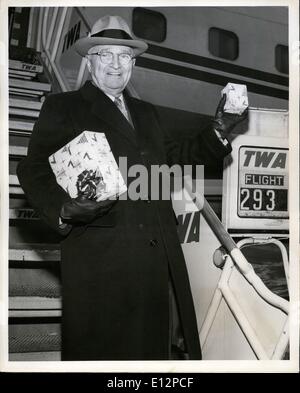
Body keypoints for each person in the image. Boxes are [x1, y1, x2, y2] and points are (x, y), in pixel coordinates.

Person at [17, 15, 247, 360]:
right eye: (106, 54)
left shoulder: (147, 113)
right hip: (102, 264)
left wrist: (221, 128)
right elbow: (32, 168)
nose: (115, 64)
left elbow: (178, 157)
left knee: (150, 359)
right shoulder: (63, 107)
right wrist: (63, 208)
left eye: (124, 56)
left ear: (133, 63)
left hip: (155, 263)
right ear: (90, 60)